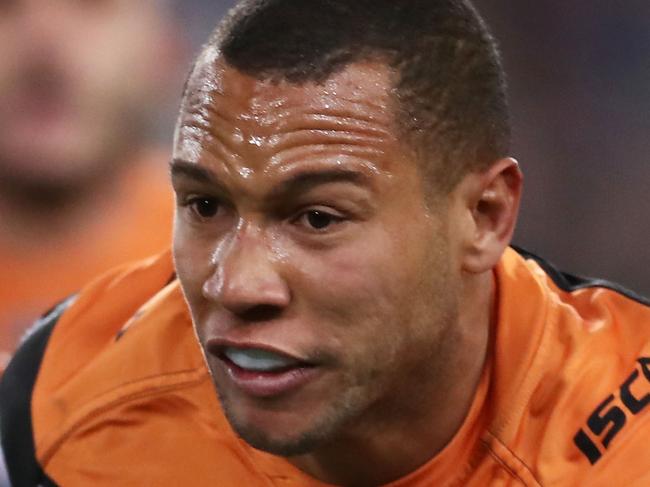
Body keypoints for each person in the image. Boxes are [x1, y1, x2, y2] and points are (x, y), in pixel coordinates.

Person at [2, 0, 650, 485]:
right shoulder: (60, 416)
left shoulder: (624, 444)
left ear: (483, 217)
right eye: (205, 204)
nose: (237, 283)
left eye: (317, 218)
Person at [0, 0, 185, 370]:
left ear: (165, 50)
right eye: (5, 9)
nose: (44, 42)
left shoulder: (233, 263)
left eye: (91, 6)